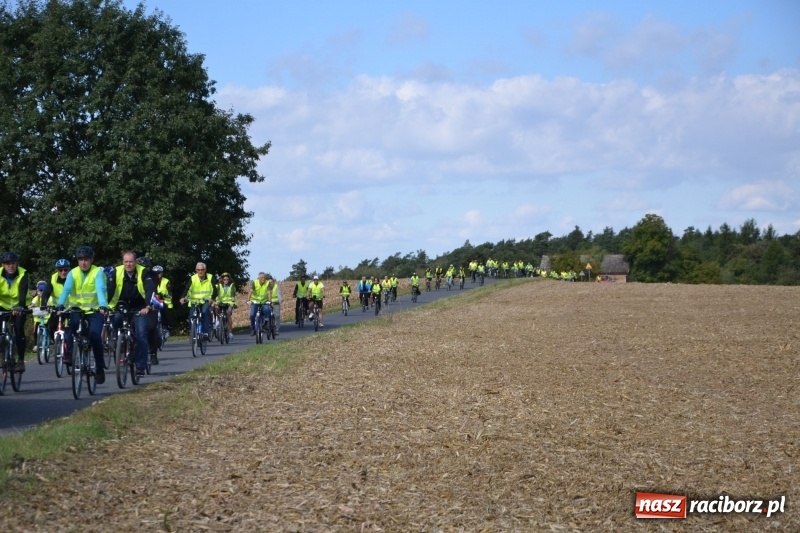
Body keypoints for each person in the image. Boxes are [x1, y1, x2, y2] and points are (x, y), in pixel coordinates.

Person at [55, 246, 109, 383]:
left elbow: (100, 289)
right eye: (80, 260)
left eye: (86, 260)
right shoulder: (73, 273)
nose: (83, 263)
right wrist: (60, 304)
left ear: (91, 260)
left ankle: (99, 368)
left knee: (95, 337)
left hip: (94, 310)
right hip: (77, 309)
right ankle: (70, 355)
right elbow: (66, 290)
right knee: (71, 330)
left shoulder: (97, 272)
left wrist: (103, 305)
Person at [107, 251, 157, 375]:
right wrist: (104, 305)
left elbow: (150, 288)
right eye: (126, 262)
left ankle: (140, 366)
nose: (128, 264)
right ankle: (119, 342)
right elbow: (110, 289)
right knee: (116, 320)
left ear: (135, 262)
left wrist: (148, 306)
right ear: (123, 262)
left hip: (140, 306)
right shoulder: (116, 271)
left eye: (131, 262)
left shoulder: (143, 271)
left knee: (141, 334)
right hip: (121, 305)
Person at [0, 251, 31, 372]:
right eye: (8, 264)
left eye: (13, 263)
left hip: (19, 306)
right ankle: (2, 354)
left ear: (17, 264)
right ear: (3, 265)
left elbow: (22, 291)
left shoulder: (23, 273)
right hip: (2, 305)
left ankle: (21, 361)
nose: (11, 266)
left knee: (19, 329)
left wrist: (21, 307)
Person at [180, 262, 217, 341]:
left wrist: (212, 298)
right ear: (196, 270)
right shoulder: (193, 278)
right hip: (194, 301)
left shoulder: (210, 277)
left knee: (204, 312)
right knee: (191, 316)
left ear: (205, 270)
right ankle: (193, 333)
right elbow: (187, 288)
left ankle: (205, 333)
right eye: (198, 270)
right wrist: (183, 297)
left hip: (206, 300)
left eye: (202, 270)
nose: (200, 271)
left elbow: (215, 290)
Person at [151, 265, 172, 335]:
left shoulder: (166, 281)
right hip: (154, 300)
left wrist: (166, 297)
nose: (157, 274)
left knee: (164, 312)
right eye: (155, 273)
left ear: (162, 273)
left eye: (159, 273)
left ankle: (167, 327)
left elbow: (169, 292)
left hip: (164, 300)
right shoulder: (150, 280)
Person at [215, 272, 236, 340]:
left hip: (229, 302)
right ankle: (218, 320)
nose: (226, 280)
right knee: (216, 309)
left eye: (227, 279)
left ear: (229, 279)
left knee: (228, 314)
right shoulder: (218, 286)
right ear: (222, 280)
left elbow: (233, 294)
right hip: (220, 302)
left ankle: (230, 332)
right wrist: (215, 302)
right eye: (224, 279)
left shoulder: (232, 285)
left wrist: (233, 301)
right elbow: (215, 294)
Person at [248, 272, 270, 336]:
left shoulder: (267, 283)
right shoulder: (254, 282)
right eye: (262, 277)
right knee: (252, 315)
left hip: (264, 301)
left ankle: (265, 324)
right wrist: (248, 300)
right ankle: (253, 328)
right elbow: (251, 291)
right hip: (255, 301)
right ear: (259, 278)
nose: (263, 279)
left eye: (264, 277)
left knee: (267, 310)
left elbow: (269, 292)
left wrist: (269, 301)